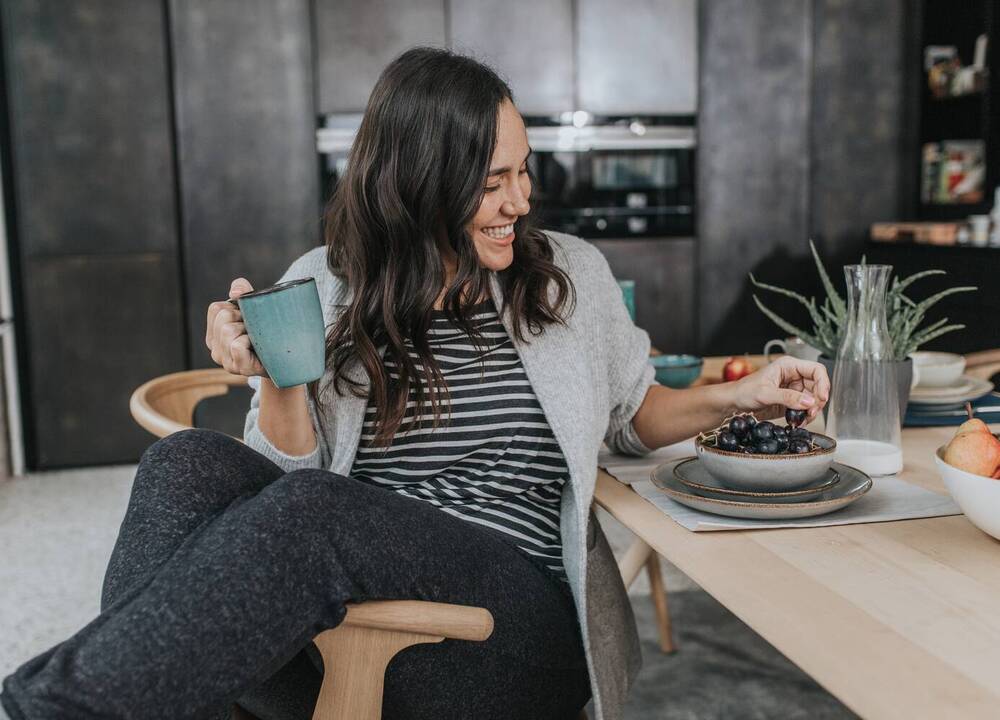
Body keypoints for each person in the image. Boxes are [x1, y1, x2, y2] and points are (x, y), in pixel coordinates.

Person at [0, 47, 829, 720]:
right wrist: (275, 375)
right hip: (339, 621)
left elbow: (631, 413)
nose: (521, 201)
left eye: (524, 173)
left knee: (312, 515)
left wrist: (738, 393)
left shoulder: (570, 277)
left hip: (504, 637)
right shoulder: (323, 285)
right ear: (421, 180)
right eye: (494, 181)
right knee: (185, 463)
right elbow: (283, 483)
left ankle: (48, 709)